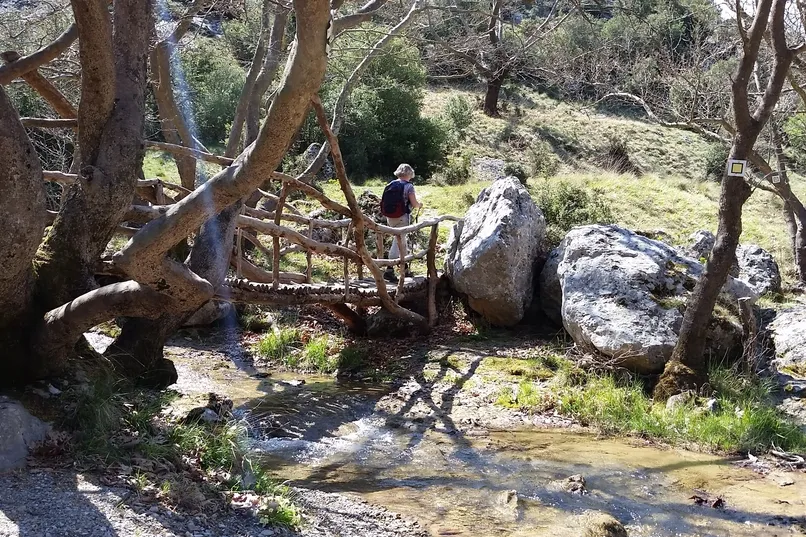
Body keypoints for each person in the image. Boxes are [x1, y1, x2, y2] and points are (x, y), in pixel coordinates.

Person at [381, 163, 422, 283]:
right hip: (402, 217)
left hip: (390, 217)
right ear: (409, 174)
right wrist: (419, 205)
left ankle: (405, 268)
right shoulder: (409, 186)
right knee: (398, 241)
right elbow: (414, 204)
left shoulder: (390, 184)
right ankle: (389, 270)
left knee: (402, 241)